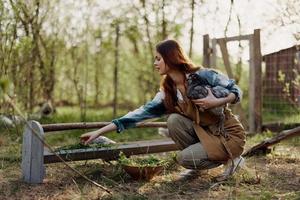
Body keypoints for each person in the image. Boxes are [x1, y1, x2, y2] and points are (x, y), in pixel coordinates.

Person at [80, 39, 246, 180]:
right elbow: (136, 116)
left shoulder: (202, 75)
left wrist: (217, 101)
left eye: (158, 58)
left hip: (227, 135)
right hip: (205, 135)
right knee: (173, 121)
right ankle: (197, 166)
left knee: (183, 158)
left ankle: (232, 159)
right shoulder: (168, 92)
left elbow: (235, 89)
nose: (155, 63)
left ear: (170, 57)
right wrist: (98, 132)